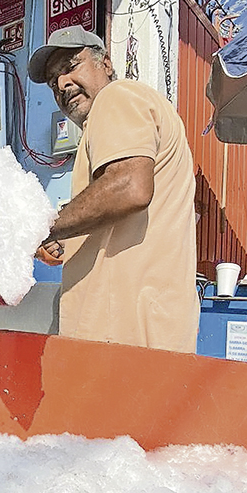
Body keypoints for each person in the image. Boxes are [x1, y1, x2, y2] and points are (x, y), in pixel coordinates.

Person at [28, 27, 198, 353]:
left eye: (70, 66)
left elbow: (130, 187)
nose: (62, 84)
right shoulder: (121, 117)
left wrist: (41, 226)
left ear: (105, 63)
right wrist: (67, 237)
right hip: (146, 332)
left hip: (120, 336)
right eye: (53, 82)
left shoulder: (116, 97)